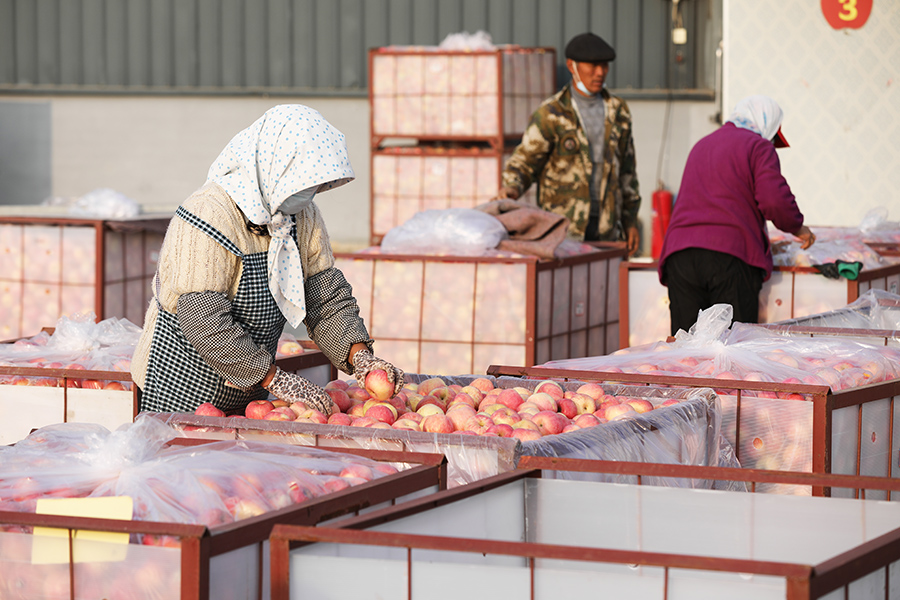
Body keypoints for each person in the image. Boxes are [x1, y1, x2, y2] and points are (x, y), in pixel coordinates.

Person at [131, 104, 404, 415]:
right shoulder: (210, 214)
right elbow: (203, 319)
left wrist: (361, 358)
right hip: (182, 384)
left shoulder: (301, 217)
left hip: (250, 388)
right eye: (300, 182)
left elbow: (325, 298)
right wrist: (275, 379)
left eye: (312, 186)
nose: (307, 195)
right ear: (274, 166)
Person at [658, 95, 816, 335]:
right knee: (732, 349)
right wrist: (798, 227)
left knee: (685, 349)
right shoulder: (758, 146)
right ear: (766, 125)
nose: (771, 142)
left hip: (681, 257)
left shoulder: (703, 144)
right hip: (729, 258)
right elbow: (774, 200)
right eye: (773, 136)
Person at [497, 32, 641, 256]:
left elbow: (628, 171)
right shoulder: (551, 114)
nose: (600, 73)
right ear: (572, 66)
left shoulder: (618, 111)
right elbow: (524, 163)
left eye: (604, 66)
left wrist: (630, 220)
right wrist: (511, 188)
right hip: (563, 229)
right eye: (593, 66)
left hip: (606, 227)